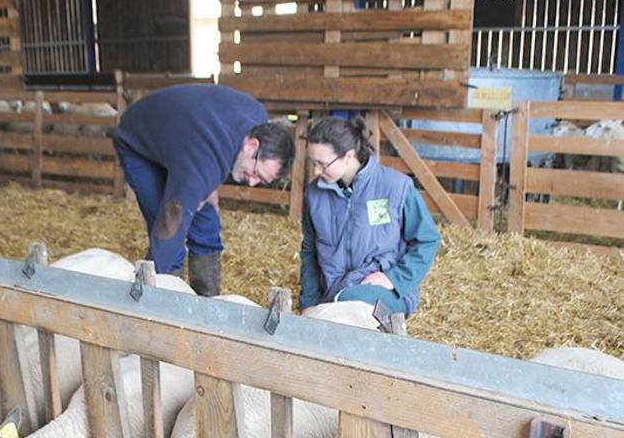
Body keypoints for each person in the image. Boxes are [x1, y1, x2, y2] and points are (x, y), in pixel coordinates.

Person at [113, 84, 295, 295]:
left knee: (206, 228)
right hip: (139, 142)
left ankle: (206, 302)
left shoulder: (257, 118)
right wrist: (147, 287)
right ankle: (164, 301)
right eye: (256, 173)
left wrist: (209, 185)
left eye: (261, 181)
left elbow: (208, 154)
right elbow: (170, 227)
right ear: (252, 145)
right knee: (169, 233)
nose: (252, 183)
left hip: (182, 140)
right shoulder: (202, 165)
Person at [299, 115, 440, 316]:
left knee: (347, 304)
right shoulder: (314, 194)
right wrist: (308, 303)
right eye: (313, 163)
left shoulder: (396, 187)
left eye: (322, 164)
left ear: (348, 156)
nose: (315, 171)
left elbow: (428, 240)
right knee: (332, 311)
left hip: (383, 292)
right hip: (332, 293)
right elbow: (309, 252)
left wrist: (395, 278)